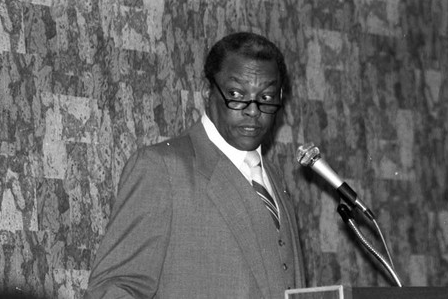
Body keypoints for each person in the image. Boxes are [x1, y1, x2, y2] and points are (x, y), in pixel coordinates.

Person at [84, 32, 306, 299]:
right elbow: (112, 289)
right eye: (236, 94)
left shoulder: (273, 177)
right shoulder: (161, 168)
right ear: (207, 92)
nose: (253, 110)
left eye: (267, 97)